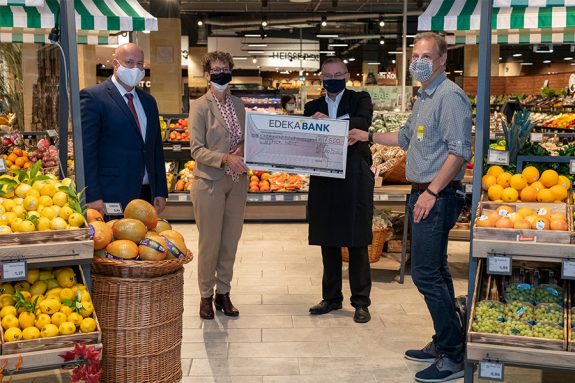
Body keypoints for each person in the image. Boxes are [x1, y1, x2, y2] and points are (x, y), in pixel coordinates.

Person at [349, 32, 472, 383]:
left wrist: (432, 192)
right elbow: (403, 139)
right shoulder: (425, 96)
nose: (419, 61)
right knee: (437, 271)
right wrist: (367, 136)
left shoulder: (449, 97)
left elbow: (458, 152)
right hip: (423, 194)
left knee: (425, 275)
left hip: (436, 196)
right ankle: (447, 341)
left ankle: (452, 356)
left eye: (427, 55)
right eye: (415, 55)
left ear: (443, 60)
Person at [305, 57, 374, 324]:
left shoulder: (360, 98)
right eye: (327, 74)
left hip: (355, 174)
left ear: (346, 75)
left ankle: (361, 302)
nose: (332, 78)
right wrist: (316, 125)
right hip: (323, 177)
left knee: (357, 239)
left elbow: (362, 123)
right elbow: (306, 138)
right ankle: (331, 297)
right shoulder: (312, 106)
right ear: (321, 78)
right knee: (328, 238)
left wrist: (328, 125)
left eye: (338, 73)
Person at [189, 51, 249, 320]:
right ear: (207, 75)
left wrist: (246, 147)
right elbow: (196, 150)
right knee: (210, 243)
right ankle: (205, 295)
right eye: (216, 69)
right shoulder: (200, 106)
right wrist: (225, 158)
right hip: (209, 182)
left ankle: (223, 292)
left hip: (238, 183)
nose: (221, 73)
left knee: (230, 242)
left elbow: (248, 138)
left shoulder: (239, 104)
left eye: (225, 68)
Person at [80, 43, 167, 215]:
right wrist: (92, 195)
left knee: (143, 240)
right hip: (110, 193)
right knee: (112, 241)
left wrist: (160, 190)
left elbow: (155, 148)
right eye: (129, 62)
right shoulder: (93, 97)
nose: (136, 68)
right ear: (115, 64)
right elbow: (87, 151)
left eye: (140, 64)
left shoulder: (149, 102)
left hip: (146, 193)